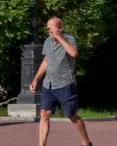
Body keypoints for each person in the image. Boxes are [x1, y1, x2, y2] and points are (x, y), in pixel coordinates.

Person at [29, 17, 92, 146]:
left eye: (52, 28)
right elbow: (46, 61)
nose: (50, 31)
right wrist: (36, 79)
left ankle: (86, 141)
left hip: (65, 84)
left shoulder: (69, 39)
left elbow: (73, 53)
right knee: (44, 113)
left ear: (60, 28)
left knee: (71, 114)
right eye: (48, 28)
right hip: (49, 84)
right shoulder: (47, 42)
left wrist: (59, 37)